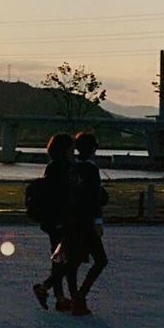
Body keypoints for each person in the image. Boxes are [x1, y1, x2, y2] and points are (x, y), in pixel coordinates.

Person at [31, 134, 74, 312]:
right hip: (61, 219)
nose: (74, 150)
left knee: (59, 258)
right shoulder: (64, 168)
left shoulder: (52, 167)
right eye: (72, 147)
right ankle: (48, 289)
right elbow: (65, 195)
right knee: (70, 258)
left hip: (52, 220)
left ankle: (60, 297)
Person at [69, 132, 108, 317]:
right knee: (100, 260)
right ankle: (80, 297)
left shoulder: (73, 167)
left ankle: (74, 297)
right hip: (87, 221)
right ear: (93, 148)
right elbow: (94, 199)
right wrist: (98, 221)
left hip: (72, 219)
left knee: (74, 261)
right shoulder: (91, 169)